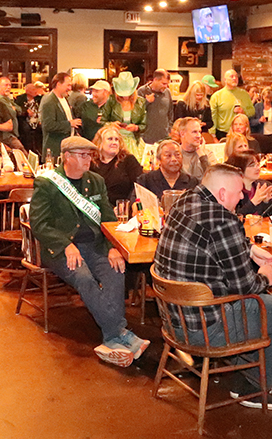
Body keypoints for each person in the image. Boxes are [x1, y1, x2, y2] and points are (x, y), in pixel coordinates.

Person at [153, 164, 272, 409]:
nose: (242, 198)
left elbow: (210, 240)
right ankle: (254, 388)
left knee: (265, 307)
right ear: (221, 194)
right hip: (206, 329)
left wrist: (250, 249)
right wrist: (265, 277)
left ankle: (247, 369)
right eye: (239, 192)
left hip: (174, 320)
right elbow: (245, 287)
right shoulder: (223, 220)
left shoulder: (185, 201)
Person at [30, 136, 149, 367]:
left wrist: (113, 247)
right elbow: (39, 224)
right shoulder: (47, 183)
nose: (88, 160)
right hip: (61, 249)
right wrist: (65, 244)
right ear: (67, 156)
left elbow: (108, 218)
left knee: (116, 270)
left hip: (95, 245)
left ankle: (112, 339)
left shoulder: (95, 181)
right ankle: (119, 333)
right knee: (83, 277)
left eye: (90, 155)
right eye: (83, 155)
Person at [90, 123, 143, 205]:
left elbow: (139, 186)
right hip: (99, 206)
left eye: (116, 139)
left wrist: (126, 205)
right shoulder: (91, 163)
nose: (114, 142)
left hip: (125, 207)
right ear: (100, 142)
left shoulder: (128, 160)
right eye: (110, 139)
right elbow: (90, 193)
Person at [134, 140, 198, 198]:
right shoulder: (145, 180)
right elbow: (135, 202)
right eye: (168, 156)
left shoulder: (192, 182)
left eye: (177, 155)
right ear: (158, 160)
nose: (174, 159)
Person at [40, 72, 81, 160]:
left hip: (67, 148)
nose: (70, 88)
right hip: (55, 150)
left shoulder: (65, 99)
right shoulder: (49, 101)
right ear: (58, 84)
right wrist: (70, 124)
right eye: (68, 85)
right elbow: (48, 125)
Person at [106, 71, 146, 158]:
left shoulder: (141, 102)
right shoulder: (111, 101)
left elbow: (146, 124)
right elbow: (101, 121)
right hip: (115, 140)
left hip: (135, 142)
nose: (125, 96)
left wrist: (136, 127)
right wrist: (111, 124)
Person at [226, 152, 272, 217]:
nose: (257, 168)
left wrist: (266, 202)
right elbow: (234, 216)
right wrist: (254, 202)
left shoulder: (263, 186)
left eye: (257, 164)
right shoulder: (233, 191)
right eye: (252, 165)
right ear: (240, 169)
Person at [209, 69, 254, 138]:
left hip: (241, 133)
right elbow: (213, 116)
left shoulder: (244, 94)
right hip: (223, 132)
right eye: (231, 76)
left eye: (236, 77)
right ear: (225, 79)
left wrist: (244, 112)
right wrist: (212, 134)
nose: (234, 78)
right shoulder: (217, 96)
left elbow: (252, 111)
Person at [136, 69, 173, 144]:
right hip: (146, 137)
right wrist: (146, 102)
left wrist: (170, 128)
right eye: (163, 83)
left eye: (167, 84)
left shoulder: (167, 92)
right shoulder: (142, 91)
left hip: (164, 136)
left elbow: (170, 112)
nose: (165, 86)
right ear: (155, 80)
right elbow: (136, 113)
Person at [249, 86, 272, 154]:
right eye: (266, 97)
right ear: (263, 96)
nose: (268, 100)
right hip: (262, 135)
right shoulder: (257, 106)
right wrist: (259, 120)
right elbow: (251, 122)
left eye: (270, 98)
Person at [15, 81, 44, 154]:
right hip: (25, 121)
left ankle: (39, 151)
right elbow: (17, 111)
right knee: (26, 130)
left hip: (37, 121)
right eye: (33, 89)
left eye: (35, 89)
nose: (35, 91)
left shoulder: (39, 99)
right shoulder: (20, 99)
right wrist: (26, 112)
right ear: (27, 91)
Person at [0, 76, 21, 141]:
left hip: (11, 134)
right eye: (6, 85)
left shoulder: (7, 98)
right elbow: (11, 113)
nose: (8, 87)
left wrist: (15, 108)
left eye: (10, 85)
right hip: (5, 135)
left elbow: (19, 109)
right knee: (19, 147)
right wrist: (13, 109)